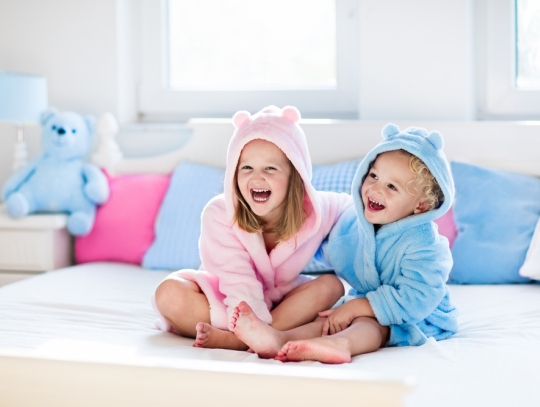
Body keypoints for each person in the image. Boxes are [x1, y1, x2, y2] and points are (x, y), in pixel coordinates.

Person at [230, 123, 458, 363]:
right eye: (373, 176)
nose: (375, 189)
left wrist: (360, 307)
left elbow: (419, 297)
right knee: (328, 317)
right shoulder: (354, 224)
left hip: (414, 314)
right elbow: (326, 245)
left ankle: (342, 344)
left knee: (369, 324)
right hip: (365, 300)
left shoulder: (425, 243)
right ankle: (280, 338)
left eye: (391, 186)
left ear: (420, 205)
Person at [153, 106, 352, 351]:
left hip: (282, 300)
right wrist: (249, 323)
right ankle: (257, 336)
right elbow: (237, 281)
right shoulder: (220, 212)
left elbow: (354, 213)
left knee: (332, 286)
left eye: (270, 168)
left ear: (295, 175)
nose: (257, 177)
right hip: (227, 296)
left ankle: (240, 340)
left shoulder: (316, 210)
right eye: (246, 168)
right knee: (169, 294)